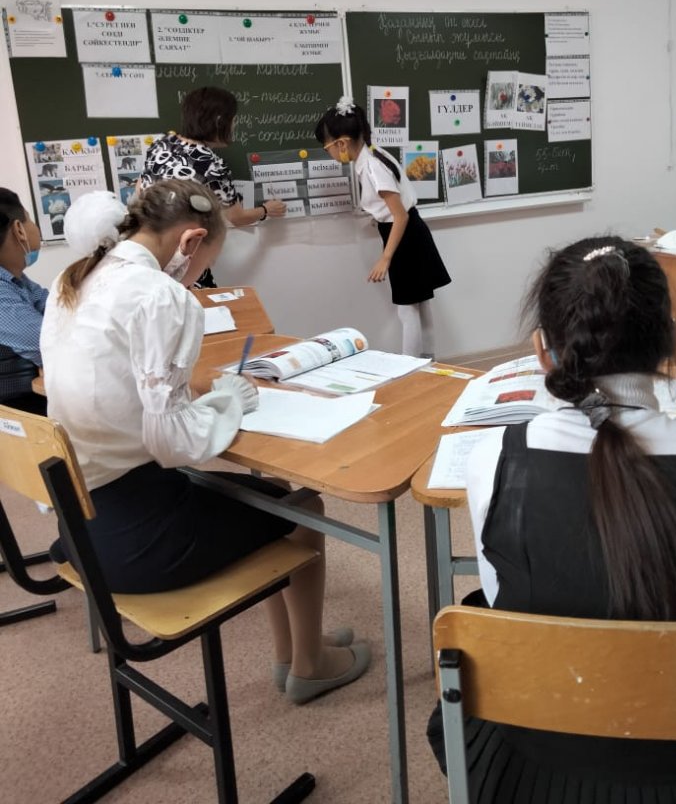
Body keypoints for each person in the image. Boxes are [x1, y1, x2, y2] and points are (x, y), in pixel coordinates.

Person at [428, 235, 676, 803]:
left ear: (542, 350)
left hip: (529, 764)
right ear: (673, 340)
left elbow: (504, 597)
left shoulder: (495, 460)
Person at [41, 181, 369, 704]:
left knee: (272, 495)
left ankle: (293, 650)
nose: (196, 279)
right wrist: (228, 402)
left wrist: (200, 400)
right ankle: (309, 664)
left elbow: (129, 397)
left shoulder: (76, 279)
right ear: (191, 242)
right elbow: (171, 442)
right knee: (303, 508)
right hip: (136, 542)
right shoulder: (159, 294)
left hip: (82, 526)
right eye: (203, 265)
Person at [315, 96, 450, 357]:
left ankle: (412, 367)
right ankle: (428, 360)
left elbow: (399, 216)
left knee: (407, 310)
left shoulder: (372, 167)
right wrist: (377, 217)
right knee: (420, 305)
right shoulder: (373, 154)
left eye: (327, 147)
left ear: (341, 143)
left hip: (405, 237)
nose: (328, 153)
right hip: (410, 232)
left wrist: (385, 258)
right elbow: (391, 207)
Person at [141, 86, 287, 287]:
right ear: (219, 122)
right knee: (197, 302)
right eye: (233, 120)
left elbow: (140, 189)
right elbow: (237, 217)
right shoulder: (212, 165)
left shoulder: (161, 144)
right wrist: (266, 210)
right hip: (183, 256)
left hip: (149, 250)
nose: (234, 125)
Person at [0, 188, 48, 415]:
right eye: (29, 219)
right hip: (13, 411)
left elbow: (56, 307)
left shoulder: (15, 280)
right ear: (19, 229)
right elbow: (48, 344)